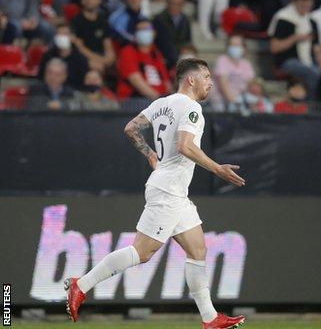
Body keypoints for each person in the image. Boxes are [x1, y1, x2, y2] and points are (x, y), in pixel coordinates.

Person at [65, 58, 247, 329]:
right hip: (169, 189)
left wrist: (151, 154)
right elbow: (185, 146)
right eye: (206, 76)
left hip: (173, 189)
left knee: (198, 249)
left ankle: (210, 319)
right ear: (191, 80)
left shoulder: (161, 103)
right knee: (143, 252)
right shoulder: (192, 108)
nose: (211, 82)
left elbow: (131, 128)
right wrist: (217, 169)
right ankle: (82, 284)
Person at [116, 19, 172, 100]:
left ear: (154, 33)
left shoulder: (156, 53)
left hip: (158, 102)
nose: (143, 32)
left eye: (147, 29)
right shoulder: (128, 51)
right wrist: (159, 102)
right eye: (140, 30)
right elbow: (136, 80)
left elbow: (166, 81)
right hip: (135, 101)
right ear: (135, 34)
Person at [71, 0, 116, 73]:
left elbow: (107, 43)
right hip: (84, 57)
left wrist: (110, 56)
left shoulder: (103, 20)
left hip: (101, 55)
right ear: (81, 1)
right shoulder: (77, 21)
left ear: (99, 0)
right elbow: (80, 47)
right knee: (96, 66)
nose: (88, 0)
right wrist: (99, 59)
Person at [39, 24, 89, 88]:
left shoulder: (81, 59)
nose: (61, 37)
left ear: (73, 37)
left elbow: (82, 83)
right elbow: (41, 77)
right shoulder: (48, 55)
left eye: (64, 34)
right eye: (58, 34)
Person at [153, 0, 192, 69]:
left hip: (181, 55)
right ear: (167, 2)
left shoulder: (186, 20)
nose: (175, 7)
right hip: (165, 57)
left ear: (183, 4)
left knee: (189, 58)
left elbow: (188, 40)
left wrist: (187, 48)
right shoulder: (159, 19)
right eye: (172, 3)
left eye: (178, 4)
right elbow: (161, 43)